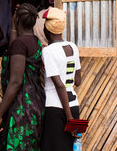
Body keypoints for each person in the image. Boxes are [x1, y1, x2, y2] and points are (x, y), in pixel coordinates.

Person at [0, 3, 45, 151]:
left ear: (17, 20)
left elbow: (15, 82)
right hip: (36, 103)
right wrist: (14, 26)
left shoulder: (20, 44)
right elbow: (14, 47)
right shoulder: (35, 41)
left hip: (21, 107)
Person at [40, 8, 82, 151]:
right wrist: (71, 115)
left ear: (47, 30)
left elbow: (59, 85)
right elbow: (78, 80)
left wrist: (68, 117)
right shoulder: (73, 47)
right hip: (73, 104)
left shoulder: (48, 51)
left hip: (56, 108)